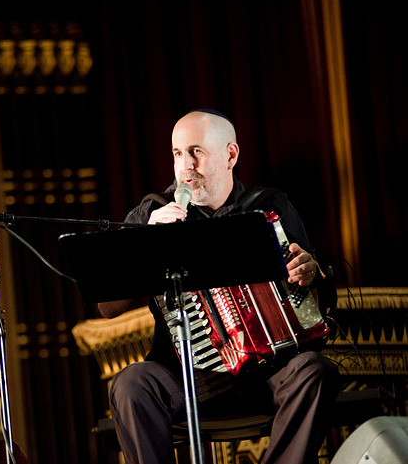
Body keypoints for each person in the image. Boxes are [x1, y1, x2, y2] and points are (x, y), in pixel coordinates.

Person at [99, 109, 339, 464]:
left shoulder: (270, 206)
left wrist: (312, 273)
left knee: (316, 371)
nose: (185, 165)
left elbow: (319, 301)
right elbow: (108, 307)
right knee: (131, 383)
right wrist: (145, 243)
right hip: (185, 376)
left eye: (196, 151)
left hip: (269, 371)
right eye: (177, 154)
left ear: (230, 155)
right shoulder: (152, 213)